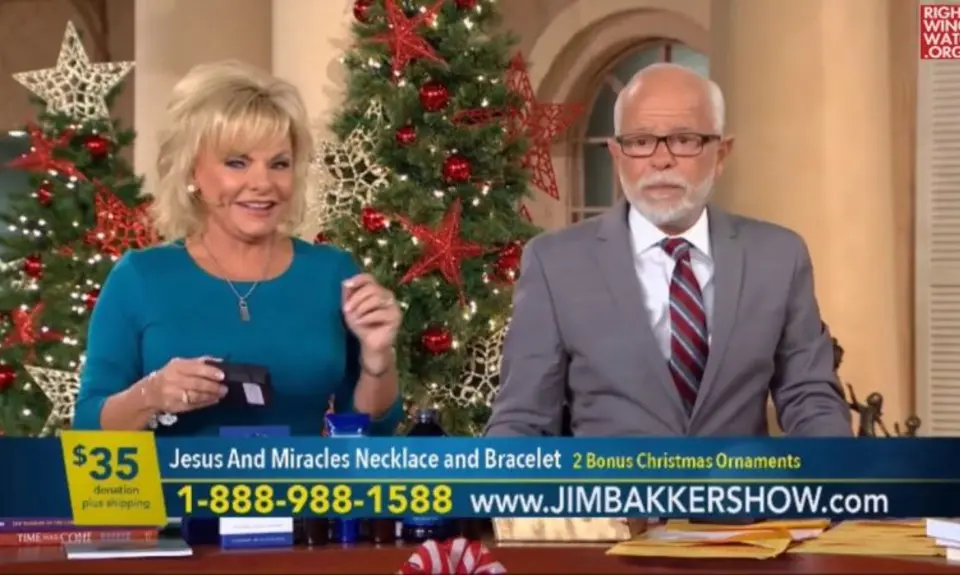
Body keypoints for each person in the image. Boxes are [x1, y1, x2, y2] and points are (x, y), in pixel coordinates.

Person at [485, 63, 851, 437]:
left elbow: (811, 398)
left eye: (684, 139)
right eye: (641, 141)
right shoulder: (555, 264)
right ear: (616, 154)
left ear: (721, 154)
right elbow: (523, 420)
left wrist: (836, 468)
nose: (661, 160)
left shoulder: (778, 257)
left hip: (739, 477)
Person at [73, 60, 404, 436]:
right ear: (192, 171)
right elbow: (87, 428)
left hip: (299, 476)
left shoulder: (333, 274)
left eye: (279, 164)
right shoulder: (140, 277)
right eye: (237, 162)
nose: (262, 183)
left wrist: (378, 360)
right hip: (175, 476)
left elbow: (369, 431)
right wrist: (151, 395)